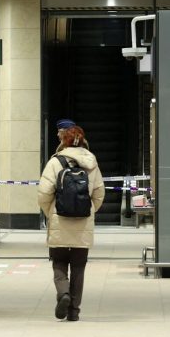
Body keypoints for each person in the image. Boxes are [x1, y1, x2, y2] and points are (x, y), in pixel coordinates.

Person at [38, 125, 105, 322]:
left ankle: (63, 293)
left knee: (58, 262)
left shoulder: (55, 162)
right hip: (83, 222)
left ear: (63, 141)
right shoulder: (92, 163)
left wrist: (50, 212)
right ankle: (74, 311)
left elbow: (43, 193)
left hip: (60, 218)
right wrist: (89, 209)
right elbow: (99, 193)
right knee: (78, 267)